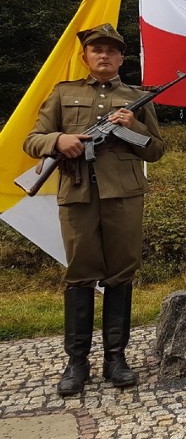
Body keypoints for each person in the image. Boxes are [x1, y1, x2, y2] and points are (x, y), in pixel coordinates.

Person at [24, 23, 165, 395]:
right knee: (80, 274)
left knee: (121, 273)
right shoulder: (63, 93)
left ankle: (116, 358)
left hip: (124, 195)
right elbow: (32, 140)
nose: (104, 55)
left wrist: (133, 125)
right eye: (96, 49)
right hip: (78, 192)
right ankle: (77, 362)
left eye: (111, 50)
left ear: (121, 58)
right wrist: (60, 139)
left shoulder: (137, 97)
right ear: (85, 56)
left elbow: (156, 150)